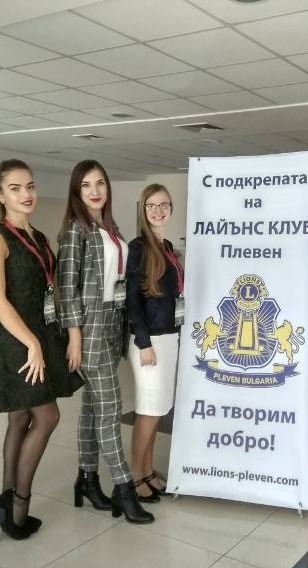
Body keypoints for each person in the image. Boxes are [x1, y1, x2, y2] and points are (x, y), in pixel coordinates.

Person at [0, 159, 81, 539]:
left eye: (30, 186)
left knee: (20, 419)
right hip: (17, 342)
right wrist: (32, 344)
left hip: (41, 336)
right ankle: (19, 505)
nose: (26, 194)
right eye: (15, 188)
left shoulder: (38, 237)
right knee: (48, 417)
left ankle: (6, 503)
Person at [57, 160, 153, 524]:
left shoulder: (110, 228)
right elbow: (67, 287)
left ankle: (87, 479)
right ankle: (124, 489)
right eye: (86, 185)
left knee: (92, 408)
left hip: (113, 325)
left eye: (100, 183)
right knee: (111, 410)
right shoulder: (75, 230)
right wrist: (74, 337)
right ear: (76, 191)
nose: (95, 191)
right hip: (90, 329)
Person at [126, 183, 183, 502]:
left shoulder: (167, 246)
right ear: (143, 210)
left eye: (164, 205)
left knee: (159, 409)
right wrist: (144, 342)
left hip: (169, 337)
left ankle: (147, 471)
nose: (158, 211)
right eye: (151, 206)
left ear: (170, 209)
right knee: (148, 411)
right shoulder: (138, 247)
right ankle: (136, 477)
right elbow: (133, 300)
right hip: (150, 342)